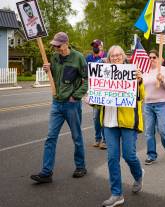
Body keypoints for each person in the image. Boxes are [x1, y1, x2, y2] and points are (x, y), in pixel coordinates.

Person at [30, 32, 88, 183]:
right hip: (56, 103)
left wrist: (75, 96)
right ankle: (46, 172)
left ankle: (81, 166)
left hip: (72, 105)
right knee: (50, 137)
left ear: (66, 44)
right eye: (54, 46)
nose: (56, 48)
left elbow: (87, 79)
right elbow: (55, 77)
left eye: (58, 45)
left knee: (76, 137)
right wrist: (48, 70)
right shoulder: (55, 57)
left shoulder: (78, 58)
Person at [99, 45, 144, 207]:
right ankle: (117, 194)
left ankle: (138, 174)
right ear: (109, 58)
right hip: (109, 123)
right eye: (112, 56)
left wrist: (139, 82)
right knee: (112, 158)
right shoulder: (102, 73)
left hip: (127, 121)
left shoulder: (133, 72)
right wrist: (92, 100)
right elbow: (98, 99)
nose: (116, 58)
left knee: (129, 155)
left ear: (124, 57)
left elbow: (141, 96)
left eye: (118, 55)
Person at [143, 50, 165, 165]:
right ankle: (151, 155)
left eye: (154, 57)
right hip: (148, 105)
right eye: (149, 57)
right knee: (149, 131)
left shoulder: (164, 70)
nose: (151, 59)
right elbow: (141, 88)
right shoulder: (144, 71)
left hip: (162, 104)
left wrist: (162, 80)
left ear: (159, 58)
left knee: (162, 130)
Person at [86, 39, 107, 150]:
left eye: (97, 45)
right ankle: (97, 138)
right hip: (95, 91)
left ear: (102, 47)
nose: (95, 47)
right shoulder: (89, 58)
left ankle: (105, 140)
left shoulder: (107, 56)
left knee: (104, 117)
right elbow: (85, 72)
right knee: (95, 117)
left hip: (106, 91)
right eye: (93, 45)